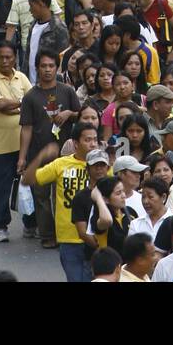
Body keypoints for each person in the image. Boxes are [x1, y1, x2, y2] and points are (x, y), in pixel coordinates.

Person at [18, 49, 81, 248]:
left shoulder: (67, 91)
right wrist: (22, 158)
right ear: (37, 68)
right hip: (38, 154)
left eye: (51, 66)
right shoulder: (30, 97)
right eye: (43, 66)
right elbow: (26, 128)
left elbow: (82, 115)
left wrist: (69, 113)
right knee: (42, 196)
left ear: (56, 68)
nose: (47, 70)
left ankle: (67, 232)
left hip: (67, 154)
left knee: (63, 196)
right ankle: (47, 234)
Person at [23, 120, 100, 282]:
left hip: (98, 239)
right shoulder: (61, 164)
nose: (93, 144)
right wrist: (42, 156)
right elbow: (27, 180)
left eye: (95, 140)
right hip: (69, 239)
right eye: (87, 140)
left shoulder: (103, 166)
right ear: (75, 143)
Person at [0, 39, 33, 243]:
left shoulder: (21, 78)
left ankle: (31, 224)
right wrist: (23, 105)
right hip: (2, 146)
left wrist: (21, 107)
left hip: (26, 144)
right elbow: (1, 105)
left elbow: (34, 102)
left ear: (15, 59)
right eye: (1, 57)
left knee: (28, 186)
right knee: (1, 188)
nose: (4, 61)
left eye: (8, 57)